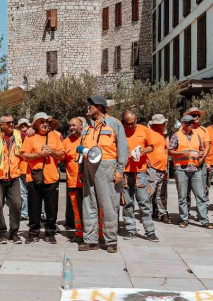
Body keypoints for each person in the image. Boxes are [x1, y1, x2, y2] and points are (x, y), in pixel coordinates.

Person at [81, 95, 128, 253]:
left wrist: (120, 170)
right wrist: (82, 169)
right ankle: (90, 240)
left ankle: (111, 241)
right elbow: (82, 147)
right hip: (88, 167)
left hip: (107, 167)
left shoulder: (114, 124)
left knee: (108, 205)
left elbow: (123, 148)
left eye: (91, 105)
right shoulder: (86, 126)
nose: (88, 107)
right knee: (89, 204)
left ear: (99, 107)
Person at [21, 112, 64, 243]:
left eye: (47, 122)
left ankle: (50, 233)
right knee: (34, 207)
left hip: (52, 178)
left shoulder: (55, 136)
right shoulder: (30, 136)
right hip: (34, 177)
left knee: (52, 208)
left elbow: (62, 155)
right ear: (36, 124)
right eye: (42, 122)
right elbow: (25, 156)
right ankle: (33, 233)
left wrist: (52, 151)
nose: (45, 124)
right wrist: (40, 154)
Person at [0, 115, 24, 244]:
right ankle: (1, 232)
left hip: (13, 177)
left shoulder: (19, 136)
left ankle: (14, 232)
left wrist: (31, 130)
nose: (11, 125)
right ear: (1, 124)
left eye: (13, 122)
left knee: (17, 204)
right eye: (8, 123)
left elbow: (31, 135)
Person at [169, 114, 209, 228]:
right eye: (189, 123)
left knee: (200, 195)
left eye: (192, 123)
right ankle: (184, 219)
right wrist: (181, 152)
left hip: (196, 169)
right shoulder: (176, 136)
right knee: (183, 196)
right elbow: (170, 151)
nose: (192, 125)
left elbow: (201, 149)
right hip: (181, 170)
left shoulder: (197, 135)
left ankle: (204, 220)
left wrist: (201, 154)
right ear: (183, 124)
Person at [120, 111, 153, 239]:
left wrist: (142, 151)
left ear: (136, 120)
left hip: (140, 172)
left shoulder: (144, 130)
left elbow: (151, 147)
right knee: (127, 202)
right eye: (127, 124)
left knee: (144, 202)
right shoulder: (120, 131)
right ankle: (130, 229)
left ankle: (150, 231)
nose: (130, 126)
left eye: (132, 123)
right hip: (125, 172)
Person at [61, 117, 86, 245]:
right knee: (77, 211)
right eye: (70, 126)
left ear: (82, 126)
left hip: (88, 182)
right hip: (73, 182)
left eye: (74, 125)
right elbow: (61, 158)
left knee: (93, 210)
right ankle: (79, 235)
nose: (71, 128)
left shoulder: (88, 139)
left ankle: (98, 234)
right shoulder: (65, 142)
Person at [146, 114, 169, 224]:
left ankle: (163, 213)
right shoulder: (148, 133)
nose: (164, 125)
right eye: (162, 123)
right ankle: (147, 214)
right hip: (152, 169)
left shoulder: (162, 135)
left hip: (162, 168)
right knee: (150, 193)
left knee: (161, 193)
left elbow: (165, 150)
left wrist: (166, 167)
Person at [16, 118, 31, 222]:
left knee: (31, 193)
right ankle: (24, 213)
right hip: (21, 169)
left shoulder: (31, 136)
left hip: (31, 170)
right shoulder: (18, 137)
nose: (23, 128)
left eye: (25, 125)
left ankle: (33, 212)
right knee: (23, 193)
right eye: (21, 126)